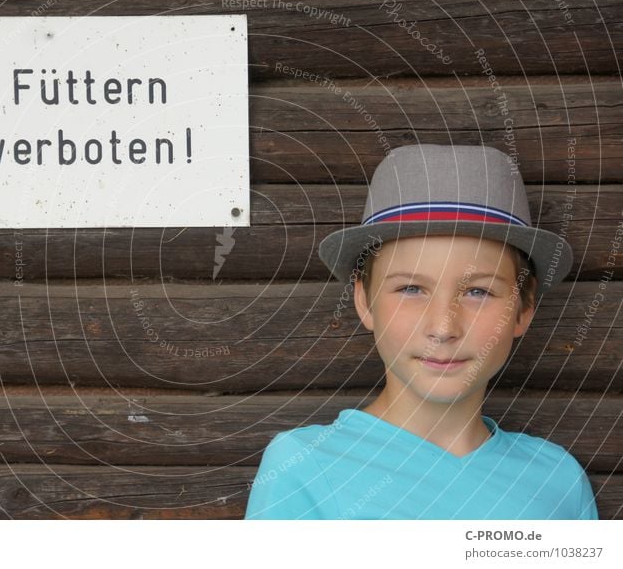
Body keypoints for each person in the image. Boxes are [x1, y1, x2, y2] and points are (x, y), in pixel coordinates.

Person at [245, 143, 599, 520]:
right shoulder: (303, 467)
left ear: (523, 309)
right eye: (411, 289)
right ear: (365, 302)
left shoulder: (558, 481)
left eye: (478, 291)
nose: (443, 328)